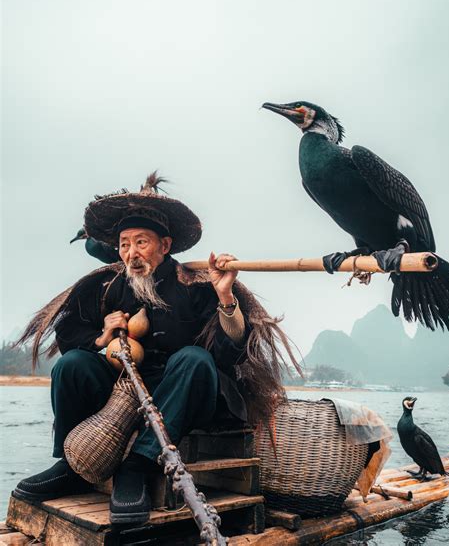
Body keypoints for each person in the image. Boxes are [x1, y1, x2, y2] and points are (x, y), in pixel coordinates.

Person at [14, 172, 296, 525]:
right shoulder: (107, 285)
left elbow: (229, 354)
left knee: (194, 359)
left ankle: (139, 466)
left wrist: (225, 297)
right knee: (72, 364)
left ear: (165, 245)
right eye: (124, 243)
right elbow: (72, 331)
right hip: (123, 391)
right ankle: (71, 465)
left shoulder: (195, 285)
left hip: (181, 396)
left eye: (141, 242)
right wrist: (102, 338)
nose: (131, 253)